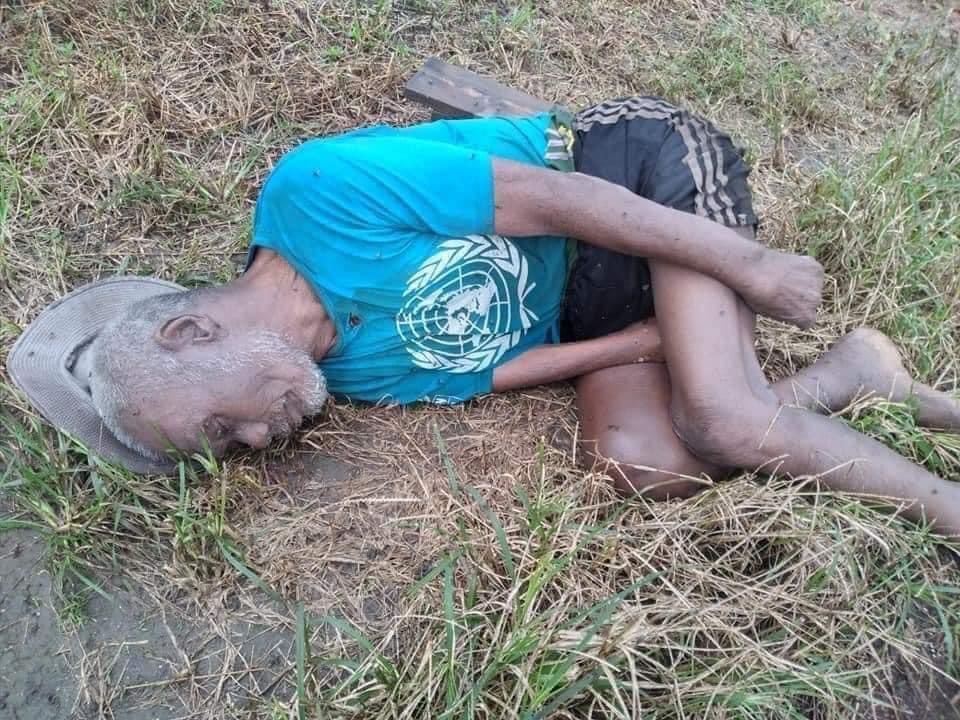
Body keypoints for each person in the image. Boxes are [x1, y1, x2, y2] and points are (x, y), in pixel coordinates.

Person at [12, 98, 960, 533]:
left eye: (225, 425)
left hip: (625, 175)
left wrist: (745, 262)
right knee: (645, 465)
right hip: (597, 297)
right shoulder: (343, 374)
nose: (259, 439)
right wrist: (639, 340)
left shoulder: (314, 195)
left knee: (723, 417)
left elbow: (561, 202)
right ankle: (849, 377)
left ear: (188, 332)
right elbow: (494, 373)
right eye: (235, 449)